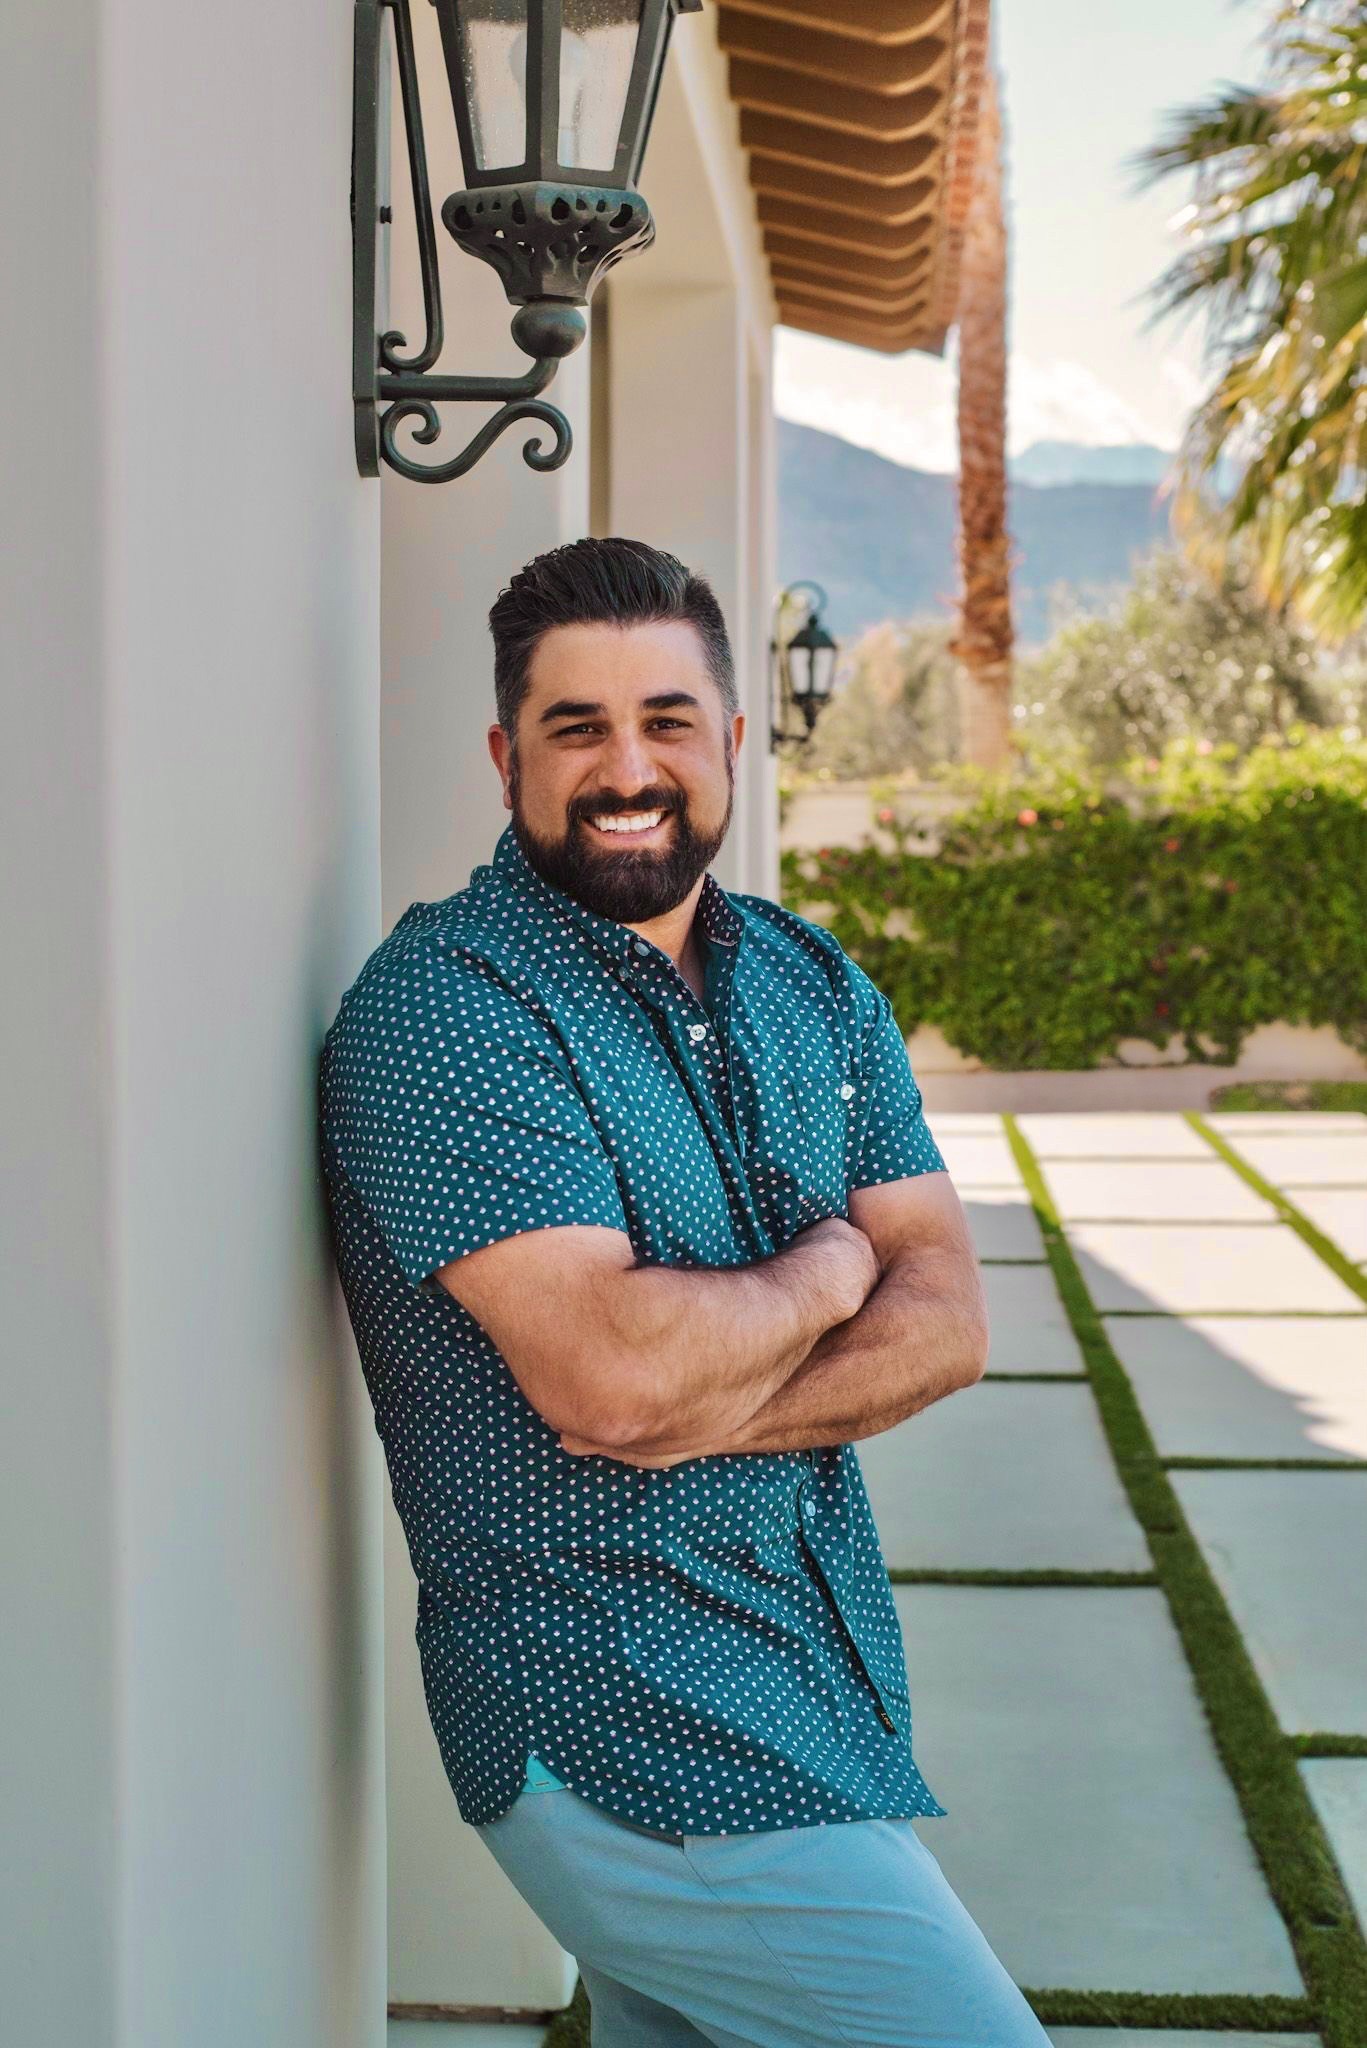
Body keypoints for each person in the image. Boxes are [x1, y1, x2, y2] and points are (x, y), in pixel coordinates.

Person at [318, 537, 1049, 2047]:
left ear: (729, 742)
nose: (625, 765)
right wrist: (835, 1264)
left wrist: (692, 1390)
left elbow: (952, 1324)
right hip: (620, 1723)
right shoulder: (445, 1012)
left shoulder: (808, 981)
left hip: (813, 1682)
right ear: (507, 755)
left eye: (665, 720)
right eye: (576, 728)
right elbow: (617, 1377)